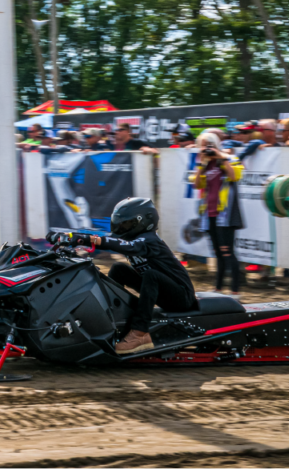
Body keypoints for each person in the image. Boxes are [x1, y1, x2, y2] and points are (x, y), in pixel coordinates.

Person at [48, 198, 196, 354]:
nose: (120, 227)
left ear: (143, 222)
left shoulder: (150, 241)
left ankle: (140, 333)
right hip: (161, 291)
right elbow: (108, 239)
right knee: (118, 269)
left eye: (125, 223)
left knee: (152, 275)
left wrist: (85, 239)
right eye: (118, 223)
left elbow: (121, 245)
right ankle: (111, 319)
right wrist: (68, 236)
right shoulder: (133, 238)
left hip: (181, 297)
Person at [191, 134, 245, 295]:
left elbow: (235, 176)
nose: (206, 148)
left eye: (209, 145)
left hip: (225, 214)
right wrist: (201, 163)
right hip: (209, 215)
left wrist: (221, 157)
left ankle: (235, 291)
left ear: (216, 145)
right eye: (202, 145)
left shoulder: (229, 158)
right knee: (218, 254)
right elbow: (196, 184)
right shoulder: (205, 165)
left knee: (228, 252)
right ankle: (218, 289)